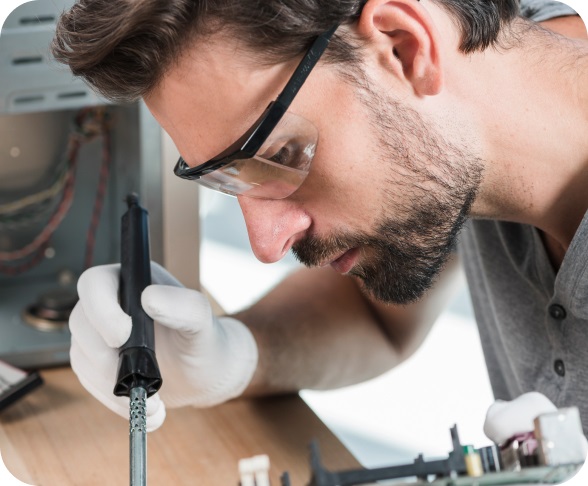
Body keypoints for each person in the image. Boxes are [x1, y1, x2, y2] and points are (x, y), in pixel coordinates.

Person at [51, 0, 588, 439]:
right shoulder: (470, 127)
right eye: (231, 180)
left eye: (279, 155)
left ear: (404, 46)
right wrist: (234, 354)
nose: (266, 244)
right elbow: (375, 313)